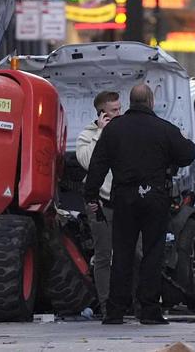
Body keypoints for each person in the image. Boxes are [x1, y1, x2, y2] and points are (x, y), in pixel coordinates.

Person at [85, 84, 195, 325]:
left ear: (131, 102)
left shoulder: (114, 129)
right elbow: (188, 153)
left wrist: (91, 196)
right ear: (151, 102)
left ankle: (115, 310)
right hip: (155, 198)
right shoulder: (164, 129)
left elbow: (98, 164)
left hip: (124, 199)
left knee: (122, 254)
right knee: (152, 253)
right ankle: (149, 310)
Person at [76, 91, 121, 318]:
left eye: (119, 109)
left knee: (136, 253)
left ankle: (129, 302)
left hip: (123, 203)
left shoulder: (124, 131)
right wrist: (101, 133)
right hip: (100, 204)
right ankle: (106, 306)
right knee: (103, 255)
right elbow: (87, 162)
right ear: (102, 113)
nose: (118, 113)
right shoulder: (88, 134)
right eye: (114, 110)